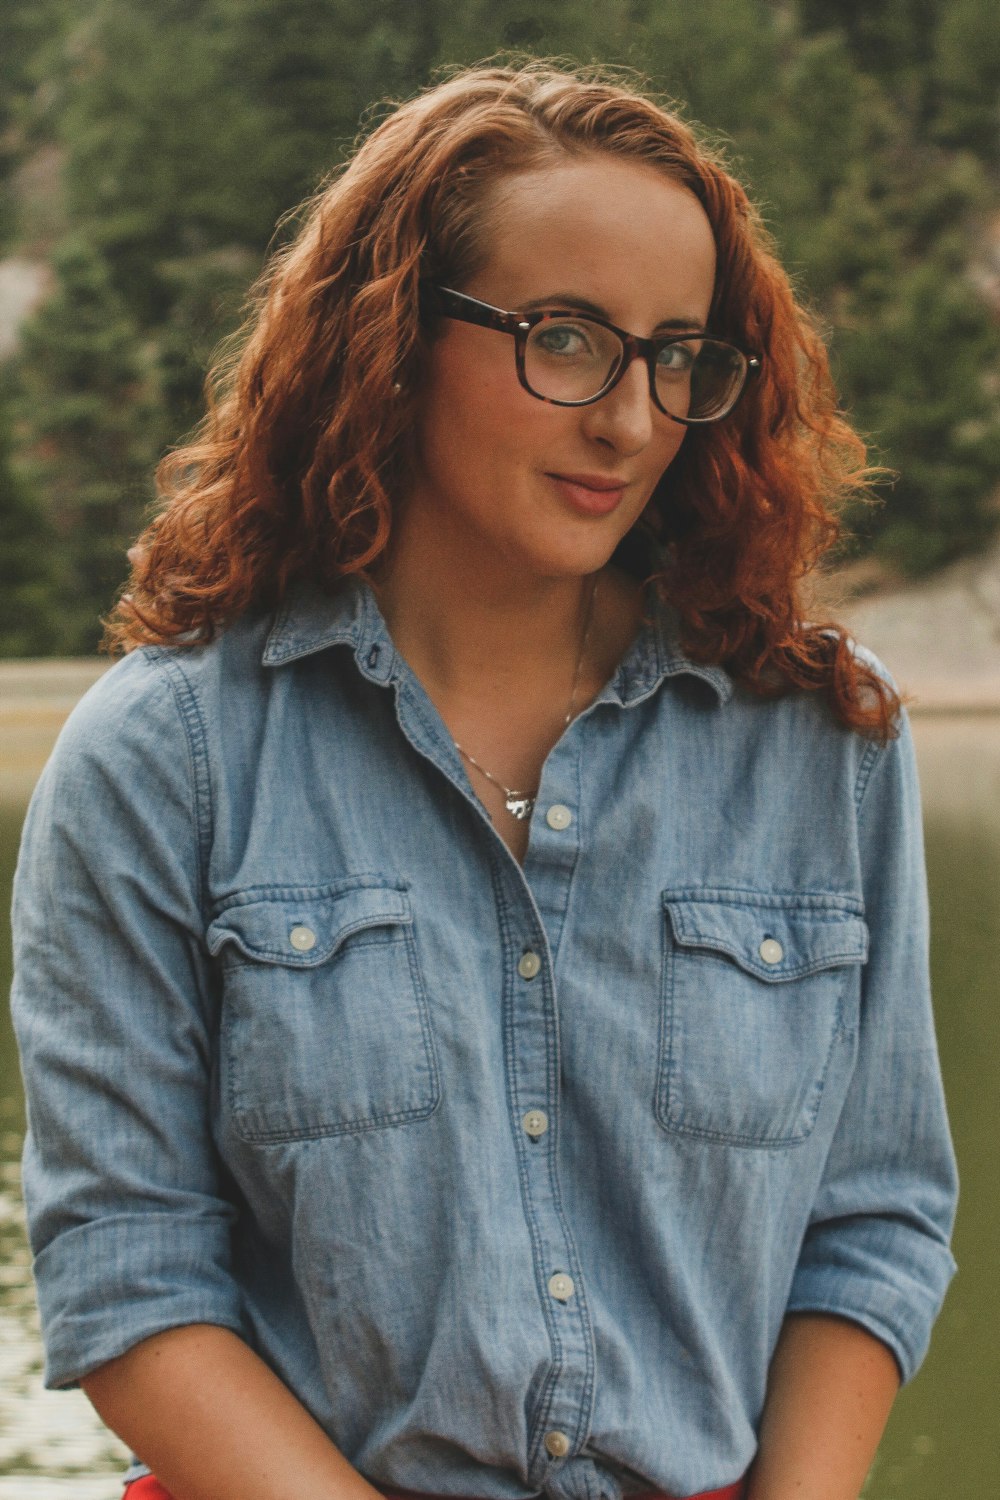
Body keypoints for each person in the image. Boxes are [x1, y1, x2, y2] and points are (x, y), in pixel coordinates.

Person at [10, 60, 957, 1500]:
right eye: (566, 339)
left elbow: (876, 1220)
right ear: (389, 340)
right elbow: (131, 1280)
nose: (633, 420)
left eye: (680, 355)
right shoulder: (166, 757)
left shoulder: (822, 740)